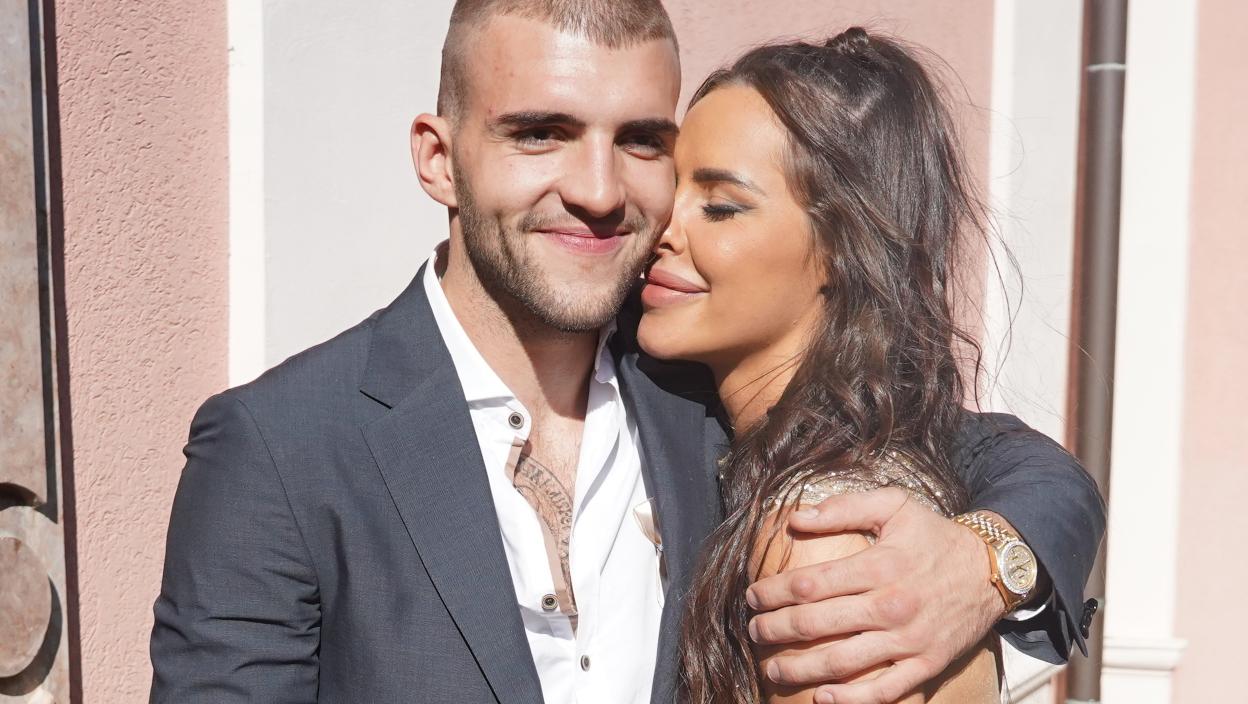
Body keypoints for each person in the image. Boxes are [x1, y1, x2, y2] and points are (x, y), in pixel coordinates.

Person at [148, 3, 1104, 703]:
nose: (600, 191)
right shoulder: (281, 446)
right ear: (440, 158)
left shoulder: (705, 392)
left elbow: (1015, 461)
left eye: (643, 142)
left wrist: (984, 562)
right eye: (541, 134)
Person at [636, 28, 1099, 704]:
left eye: (721, 207)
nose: (662, 229)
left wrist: (988, 561)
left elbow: (1030, 467)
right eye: (669, 188)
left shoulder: (829, 539)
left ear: (842, 248)